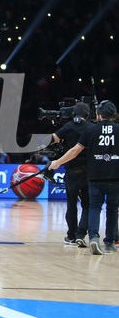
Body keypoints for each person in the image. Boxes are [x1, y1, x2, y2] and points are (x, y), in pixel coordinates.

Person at [49, 100, 119, 255]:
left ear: (99, 114)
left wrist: (57, 162)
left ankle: (93, 237)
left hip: (94, 175)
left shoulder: (91, 130)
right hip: (114, 176)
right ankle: (109, 243)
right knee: (113, 209)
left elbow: (74, 151)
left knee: (94, 206)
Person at [49, 102, 93, 247]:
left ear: (74, 113)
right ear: (87, 115)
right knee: (87, 205)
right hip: (88, 172)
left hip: (72, 172)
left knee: (71, 204)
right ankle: (81, 234)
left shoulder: (68, 126)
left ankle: (71, 236)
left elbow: (51, 139)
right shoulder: (92, 127)